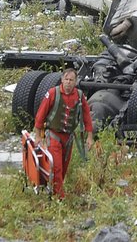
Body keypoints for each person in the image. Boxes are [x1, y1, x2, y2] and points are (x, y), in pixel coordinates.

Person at [31, 67, 93, 199]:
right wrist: (38, 135)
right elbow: (40, 115)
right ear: (62, 79)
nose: (69, 82)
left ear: (76, 81)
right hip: (53, 135)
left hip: (68, 137)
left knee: (64, 167)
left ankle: (54, 190)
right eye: (66, 79)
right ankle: (59, 197)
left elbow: (87, 116)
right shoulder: (53, 93)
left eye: (71, 80)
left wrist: (89, 137)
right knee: (56, 167)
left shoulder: (80, 96)